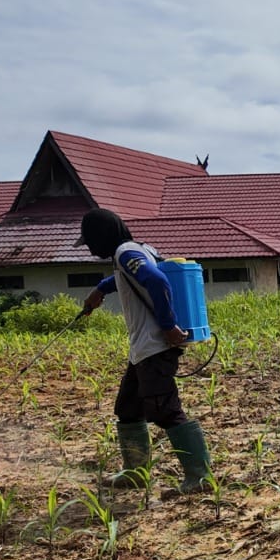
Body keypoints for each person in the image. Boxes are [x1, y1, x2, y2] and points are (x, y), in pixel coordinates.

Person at [76, 208, 213, 494]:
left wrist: (168, 326)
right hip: (142, 349)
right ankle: (135, 474)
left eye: (89, 242)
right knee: (128, 409)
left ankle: (199, 478)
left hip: (154, 346)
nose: (89, 248)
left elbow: (157, 280)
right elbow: (130, 277)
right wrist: (100, 289)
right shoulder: (135, 252)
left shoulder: (125, 252)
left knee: (165, 410)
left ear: (101, 237)